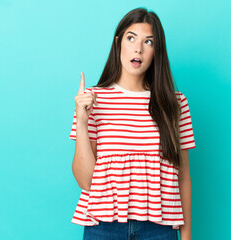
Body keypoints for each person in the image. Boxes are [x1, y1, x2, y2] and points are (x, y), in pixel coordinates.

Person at [69, 7, 196, 240]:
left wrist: (186, 237)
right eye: (131, 38)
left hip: (159, 227)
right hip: (103, 226)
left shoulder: (175, 103)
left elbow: (184, 176)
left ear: (157, 50)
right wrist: (82, 121)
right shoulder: (92, 99)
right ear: (118, 43)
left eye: (149, 42)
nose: (138, 48)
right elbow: (85, 180)